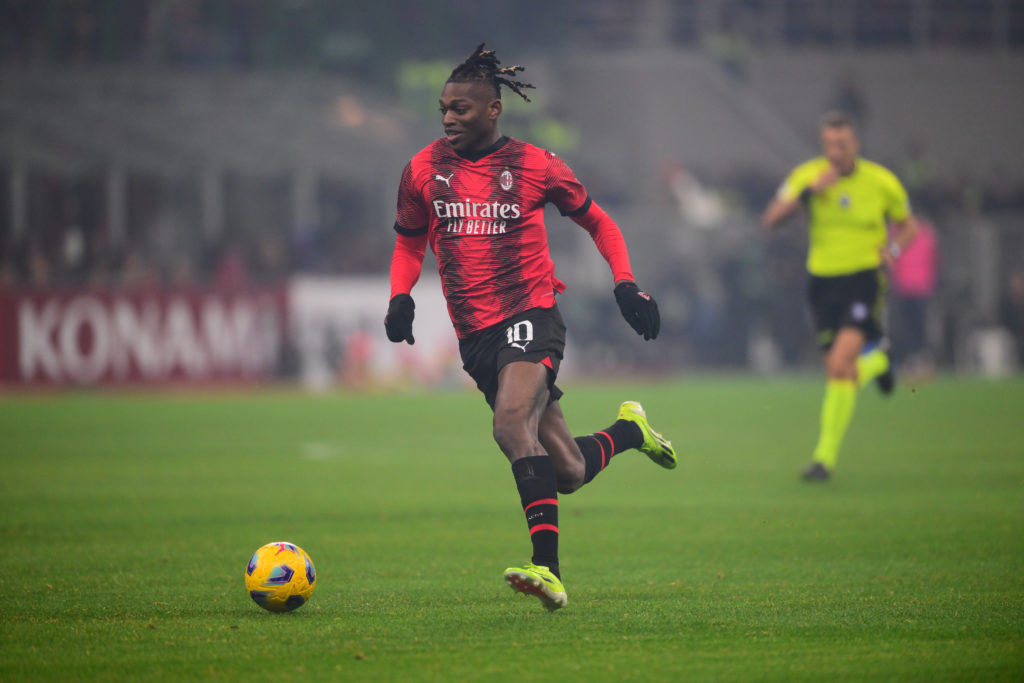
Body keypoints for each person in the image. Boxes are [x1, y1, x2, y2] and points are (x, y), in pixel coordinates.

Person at [384, 44, 676, 611]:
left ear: (494, 110)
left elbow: (599, 221)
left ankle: (548, 571)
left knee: (510, 423)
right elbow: (407, 238)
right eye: (443, 107)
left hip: (531, 316)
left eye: (461, 109)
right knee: (565, 470)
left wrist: (626, 283)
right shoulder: (422, 170)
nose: (448, 117)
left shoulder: (536, 164)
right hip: (476, 337)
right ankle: (630, 431)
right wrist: (400, 296)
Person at [761, 111, 917, 482]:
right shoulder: (808, 176)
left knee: (837, 366)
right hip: (821, 285)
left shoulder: (881, 182)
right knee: (840, 368)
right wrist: (807, 194)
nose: (834, 151)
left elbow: (908, 224)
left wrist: (893, 250)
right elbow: (770, 219)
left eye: (841, 144)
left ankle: (823, 460)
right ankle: (880, 362)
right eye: (829, 144)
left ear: (855, 145)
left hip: (863, 280)